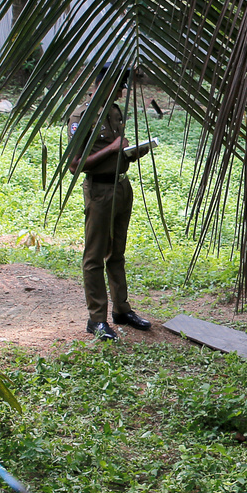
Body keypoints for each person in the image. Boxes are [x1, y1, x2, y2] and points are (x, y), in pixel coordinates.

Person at [68, 67, 153, 341]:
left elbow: (117, 150)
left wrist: (131, 151)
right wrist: (113, 148)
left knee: (117, 253)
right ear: (103, 85)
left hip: (121, 187)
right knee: (94, 257)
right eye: (119, 87)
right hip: (99, 191)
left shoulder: (115, 112)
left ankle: (121, 310)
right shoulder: (82, 116)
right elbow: (75, 165)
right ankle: (96, 319)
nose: (122, 92)